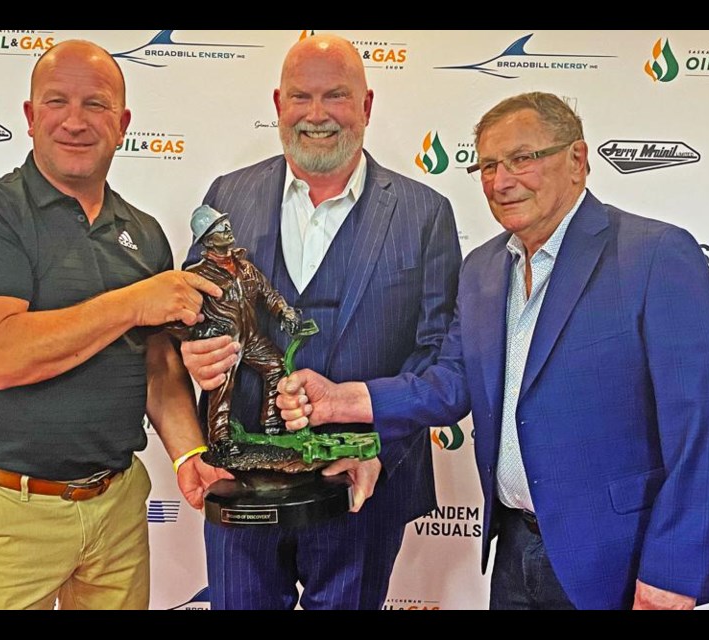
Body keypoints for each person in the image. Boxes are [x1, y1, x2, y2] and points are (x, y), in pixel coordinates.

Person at [278, 91, 709, 610]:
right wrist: (343, 400)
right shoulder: (481, 268)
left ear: (577, 160)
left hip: (619, 561)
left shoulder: (654, 254)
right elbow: (450, 381)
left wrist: (673, 571)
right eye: (489, 165)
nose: (501, 181)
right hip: (513, 551)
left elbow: (705, 422)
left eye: (523, 158)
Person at [0, 39, 227, 610]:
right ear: (29, 116)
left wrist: (190, 453)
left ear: (122, 124)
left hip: (116, 505)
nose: (75, 121)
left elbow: (159, 366)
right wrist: (133, 303)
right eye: (56, 102)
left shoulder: (142, 233)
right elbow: (0, 356)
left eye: (95, 105)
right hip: (10, 514)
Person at [179, 34, 462, 609]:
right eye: (301, 97)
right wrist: (195, 345)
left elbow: (437, 355)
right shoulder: (227, 196)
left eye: (336, 95)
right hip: (244, 486)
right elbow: (195, 310)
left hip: (362, 484)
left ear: (367, 105)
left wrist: (375, 447)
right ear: (278, 104)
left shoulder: (425, 213)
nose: (316, 115)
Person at [171, 205, 302, 452]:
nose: (227, 228)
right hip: (223, 342)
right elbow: (176, 318)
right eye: (219, 227)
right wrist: (197, 335)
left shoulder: (246, 268)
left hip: (251, 338)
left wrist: (284, 311)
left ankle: (271, 422)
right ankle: (220, 439)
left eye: (226, 223)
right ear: (208, 240)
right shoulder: (197, 275)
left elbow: (268, 294)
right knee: (222, 387)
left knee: (277, 366)